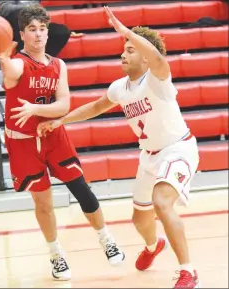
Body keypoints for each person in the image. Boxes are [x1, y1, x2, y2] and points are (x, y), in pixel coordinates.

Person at [11, 6, 201, 289]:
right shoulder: (120, 87)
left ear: (146, 58)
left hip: (177, 150)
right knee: (139, 219)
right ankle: (153, 246)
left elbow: (158, 58)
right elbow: (95, 107)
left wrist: (127, 32)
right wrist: (60, 120)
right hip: (148, 156)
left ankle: (188, 271)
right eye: (123, 49)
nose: (123, 54)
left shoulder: (158, 78)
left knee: (162, 204)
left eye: (131, 50)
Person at [0, 3, 125, 281]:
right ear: (22, 35)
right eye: (32, 29)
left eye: (42, 29)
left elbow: (64, 105)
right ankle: (56, 255)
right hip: (23, 142)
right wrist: (1, 55)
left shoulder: (58, 65)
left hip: (53, 135)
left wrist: (35, 110)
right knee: (43, 203)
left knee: (81, 188)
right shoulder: (20, 63)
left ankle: (106, 239)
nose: (39, 34)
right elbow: (11, 71)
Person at [0, 0, 83, 56]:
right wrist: (27, 7)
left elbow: (38, 9)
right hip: (13, 26)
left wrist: (44, 25)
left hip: (34, 21)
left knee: (62, 31)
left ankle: (43, 60)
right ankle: (26, 61)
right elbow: (4, 9)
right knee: (22, 22)